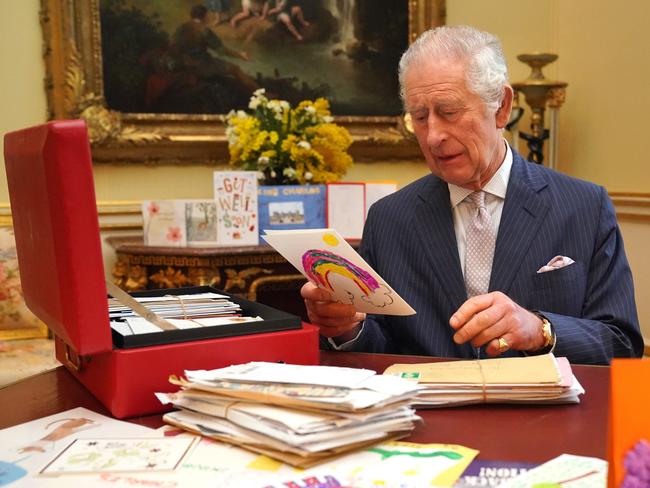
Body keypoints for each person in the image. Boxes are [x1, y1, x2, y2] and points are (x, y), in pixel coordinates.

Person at [301, 25, 643, 365]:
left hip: (543, 416)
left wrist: (541, 330)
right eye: (419, 118)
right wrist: (347, 328)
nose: (434, 136)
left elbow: (621, 344)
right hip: (428, 415)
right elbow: (379, 349)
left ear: (502, 107)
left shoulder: (584, 206)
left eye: (449, 112)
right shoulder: (390, 218)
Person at [171, 5, 258, 93]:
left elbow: (173, 45)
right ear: (205, 16)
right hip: (202, 65)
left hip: (184, 64)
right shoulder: (204, 30)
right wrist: (240, 55)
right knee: (235, 69)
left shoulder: (181, 28)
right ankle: (261, 94)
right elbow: (221, 51)